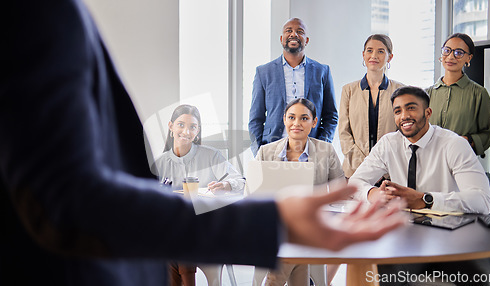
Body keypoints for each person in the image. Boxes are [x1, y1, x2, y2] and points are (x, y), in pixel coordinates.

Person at [0, 1, 407, 286]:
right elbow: (67, 199)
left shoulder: (316, 104)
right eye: (180, 125)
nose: (186, 131)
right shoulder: (38, 13)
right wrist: (269, 221)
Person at [350, 86, 490, 214]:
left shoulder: (454, 144)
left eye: (411, 108)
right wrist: (372, 193)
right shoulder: (388, 143)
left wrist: (425, 200)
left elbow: (483, 200)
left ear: (428, 112)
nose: (404, 116)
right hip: (400, 226)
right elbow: (355, 182)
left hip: (445, 230)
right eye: (398, 111)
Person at [152, 104, 245, 286]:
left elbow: (241, 182)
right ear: (171, 126)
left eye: (192, 127)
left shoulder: (211, 156)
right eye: (180, 125)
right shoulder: (160, 163)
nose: (186, 131)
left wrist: (225, 185)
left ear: (198, 131)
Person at [256, 98, 344, 286]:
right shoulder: (265, 152)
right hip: (275, 223)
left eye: (304, 118)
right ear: (284, 120)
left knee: (292, 248)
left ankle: (274, 281)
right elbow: (253, 192)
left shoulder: (326, 151)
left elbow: (340, 188)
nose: (296, 123)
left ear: (314, 122)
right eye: (291, 117)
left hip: (311, 224)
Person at [248, 17, 337, 156]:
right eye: (288, 30)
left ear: (306, 40)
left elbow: (331, 116)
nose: (293, 34)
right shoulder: (263, 72)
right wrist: (259, 151)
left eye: (299, 31)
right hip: (273, 149)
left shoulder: (322, 71)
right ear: (281, 38)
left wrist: (321, 147)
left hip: (311, 150)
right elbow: (255, 119)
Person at [339, 34, 404, 178]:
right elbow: (344, 133)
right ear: (363, 55)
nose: (374, 55)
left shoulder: (400, 91)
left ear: (390, 57)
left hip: (390, 173)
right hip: (354, 172)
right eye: (369, 50)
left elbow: (402, 133)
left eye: (381, 51)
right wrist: (366, 167)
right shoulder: (348, 90)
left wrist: (381, 167)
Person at [427, 33, 490, 156]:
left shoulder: (479, 94)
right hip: (429, 160)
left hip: (461, 160)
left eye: (459, 52)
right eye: (447, 51)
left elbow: (488, 134)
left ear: (468, 58)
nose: (451, 56)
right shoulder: (427, 93)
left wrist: (467, 140)